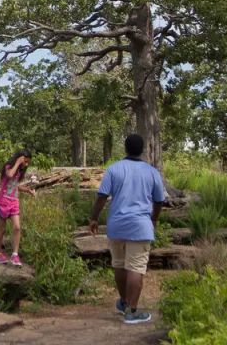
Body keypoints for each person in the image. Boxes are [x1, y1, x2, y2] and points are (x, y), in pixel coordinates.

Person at [89, 134, 166, 324]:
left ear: (125, 148)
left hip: (117, 225)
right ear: (142, 150)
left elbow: (101, 196)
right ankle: (131, 311)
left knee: (119, 264)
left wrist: (94, 218)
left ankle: (124, 302)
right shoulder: (151, 172)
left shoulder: (114, 169)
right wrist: (153, 220)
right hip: (140, 226)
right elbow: (159, 201)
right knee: (136, 268)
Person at [0, 150, 36, 266]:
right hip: (3, 201)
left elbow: (15, 185)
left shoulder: (19, 172)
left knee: (17, 227)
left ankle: (15, 255)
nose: (26, 164)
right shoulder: (8, 167)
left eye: (28, 163)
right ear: (20, 158)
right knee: (2, 230)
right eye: (25, 161)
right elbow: (9, 175)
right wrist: (17, 163)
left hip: (14, 202)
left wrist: (28, 190)